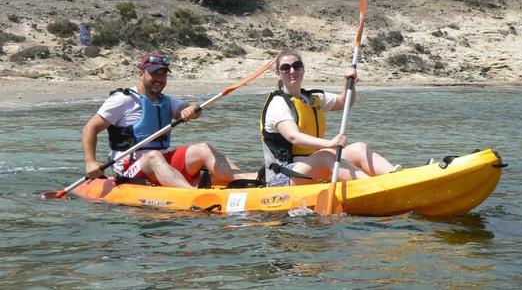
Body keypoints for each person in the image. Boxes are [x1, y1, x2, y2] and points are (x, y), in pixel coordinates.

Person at [83, 51, 251, 188]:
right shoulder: (123, 99)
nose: (159, 79)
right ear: (141, 73)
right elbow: (90, 128)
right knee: (153, 156)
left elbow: (188, 108)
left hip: (162, 163)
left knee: (203, 148)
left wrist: (190, 110)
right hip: (129, 168)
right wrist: (91, 162)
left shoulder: (167, 101)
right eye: (154, 73)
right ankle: (190, 194)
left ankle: (246, 179)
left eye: (163, 74)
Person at [260, 50, 400, 187]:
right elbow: (294, 137)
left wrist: (348, 82)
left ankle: (395, 176)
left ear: (303, 69)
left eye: (297, 66)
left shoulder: (311, 98)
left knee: (359, 148)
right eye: (285, 68)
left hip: (310, 165)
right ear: (278, 73)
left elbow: (344, 102)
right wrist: (329, 144)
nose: (292, 71)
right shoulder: (278, 104)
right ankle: (376, 187)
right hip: (283, 176)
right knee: (326, 155)